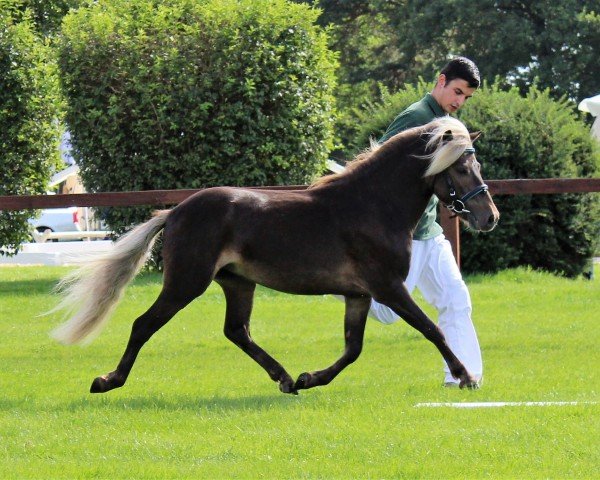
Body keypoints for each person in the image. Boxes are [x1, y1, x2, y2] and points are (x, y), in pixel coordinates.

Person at [369, 56, 483, 387]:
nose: (459, 101)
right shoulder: (416, 118)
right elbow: (379, 168)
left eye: (466, 97)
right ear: (441, 80)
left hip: (430, 232)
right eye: (457, 92)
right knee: (388, 313)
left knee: (456, 299)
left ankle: (463, 379)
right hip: (407, 234)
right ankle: (338, 282)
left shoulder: (448, 122)